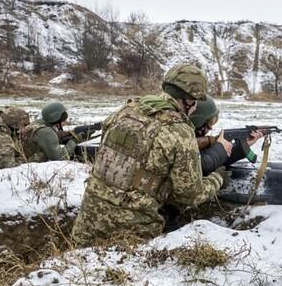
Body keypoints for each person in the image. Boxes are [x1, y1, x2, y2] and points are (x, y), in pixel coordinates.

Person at [71, 64, 227, 246]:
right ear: (190, 101)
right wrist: (218, 178)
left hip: (86, 227)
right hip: (130, 237)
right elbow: (189, 195)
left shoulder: (126, 110)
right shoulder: (179, 130)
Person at [191, 96, 264, 175]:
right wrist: (219, 146)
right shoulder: (185, 143)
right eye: (209, 124)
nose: (211, 128)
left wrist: (241, 147)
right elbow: (203, 165)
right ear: (197, 122)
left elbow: (217, 159)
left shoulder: (194, 140)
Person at [21, 102, 85, 162]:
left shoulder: (37, 124)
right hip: (30, 164)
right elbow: (60, 157)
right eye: (63, 114)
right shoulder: (46, 131)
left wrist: (66, 135)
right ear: (56, 117)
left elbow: (45, 139)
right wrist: (74, 140)